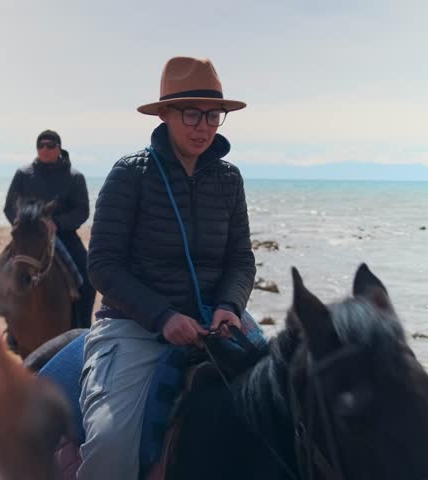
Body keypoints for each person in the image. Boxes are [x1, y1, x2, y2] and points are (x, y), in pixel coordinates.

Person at [78, 56, 256, 478]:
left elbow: (240, 258)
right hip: (134, 326)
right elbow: (102, 264)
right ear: (164, 115)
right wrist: (163, 316)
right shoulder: (129, 175)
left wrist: (230, 305)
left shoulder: (230, 180)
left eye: (214, 115)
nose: (204, 126)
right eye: (192, 114)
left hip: (219, 321)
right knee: (109, 443)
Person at [3, 130, 94, 331]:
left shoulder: (74, 177)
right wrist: (22, 227)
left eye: (50, 145)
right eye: (41, 145)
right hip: (29, 238)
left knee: (88, 278)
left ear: (59, 149)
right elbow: (9, 206)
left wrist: (58, 223)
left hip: (64, 235)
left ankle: (82, 328)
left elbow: (82, 211)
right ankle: (12, 326)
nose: (45, 149)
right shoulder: (23, 174)